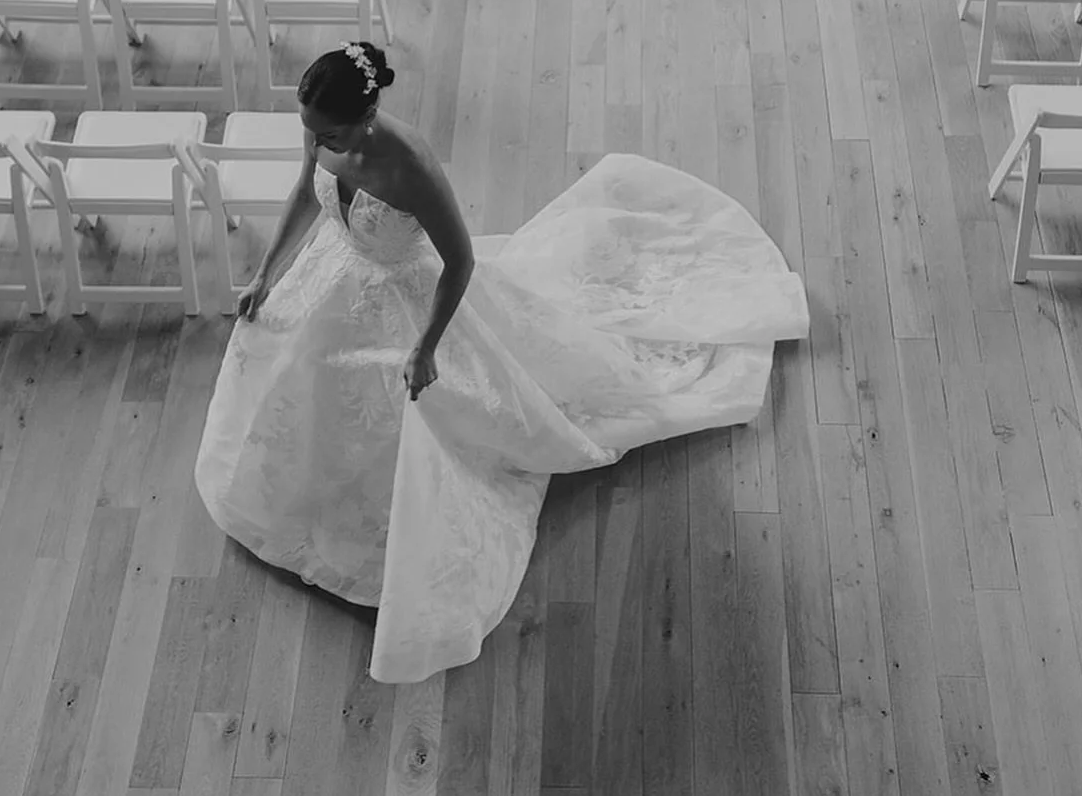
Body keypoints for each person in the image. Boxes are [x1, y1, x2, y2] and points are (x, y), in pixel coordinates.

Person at [193, 41, 809, 683]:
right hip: (334, 279)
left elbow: (459, 262)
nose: (318, 141)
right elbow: (304, 193)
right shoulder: (320, 130)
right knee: (308, 389)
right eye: (311, 129)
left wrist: (427, 346)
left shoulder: (410, 169)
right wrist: (267, 273)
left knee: (410, 423)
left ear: (369, 114)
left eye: (331, 132)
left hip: (410, 301)